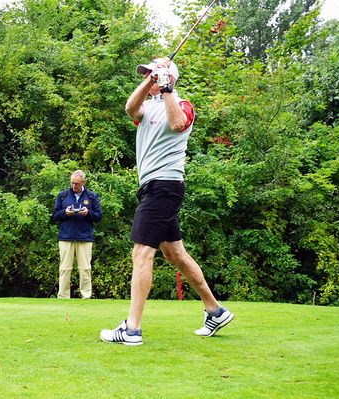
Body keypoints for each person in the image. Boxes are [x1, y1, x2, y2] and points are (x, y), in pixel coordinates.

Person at [100, 58, 233, 345]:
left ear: (168, 78)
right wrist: (151, 80)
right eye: (146, 75)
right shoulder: (147, 108)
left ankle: (131, 329)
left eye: (151, 74)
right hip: (153, 188)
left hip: (165, 186)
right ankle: (215, 310)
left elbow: (177, 123)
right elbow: (129, 108)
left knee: (141, 252)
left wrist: (168, 87)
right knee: (175, 255)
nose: (148, 78)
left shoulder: (182, 104)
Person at [51, 170, 102, 299]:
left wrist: (88, 213)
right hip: (66, 237)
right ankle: (63, 297)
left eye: (77, 184)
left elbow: (98, 216)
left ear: (83, 182)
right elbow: (55, 216)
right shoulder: (62, 196)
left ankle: (86, 296)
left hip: (84, 237)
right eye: (72, 183)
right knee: (65, 269)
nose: (74, 186)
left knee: (85, 269)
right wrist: (65, 213)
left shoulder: (91, 196)